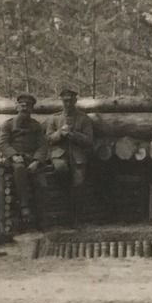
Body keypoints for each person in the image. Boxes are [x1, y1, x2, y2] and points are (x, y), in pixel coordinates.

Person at [0, 92, 50, 225]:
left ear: (32, 109)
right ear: (17, 107)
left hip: (32, 159)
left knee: (42, 183)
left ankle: (41, 219)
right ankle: (24, 206)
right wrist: (14, 155)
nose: (24, 109)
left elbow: (42, 145)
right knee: (20, 170)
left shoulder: (36, 126)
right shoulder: (7, 125)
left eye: (28, 106)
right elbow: (3, 143)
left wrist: (37, 161)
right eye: (22, 106)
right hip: (17, 158)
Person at [45, 87, 95, 221]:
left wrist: (74, 135)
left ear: (75, 101)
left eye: (70, 101)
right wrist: (60, 133)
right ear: (61, 101)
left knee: (79, 184)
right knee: (61, 169)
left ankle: (77, 218)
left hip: (78, 156)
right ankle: (66, 201)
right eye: (65, 101)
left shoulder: (84, 119)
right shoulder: (54, 119)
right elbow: (48, 138)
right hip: (59, 155)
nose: (67, 104)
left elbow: (89, 140)